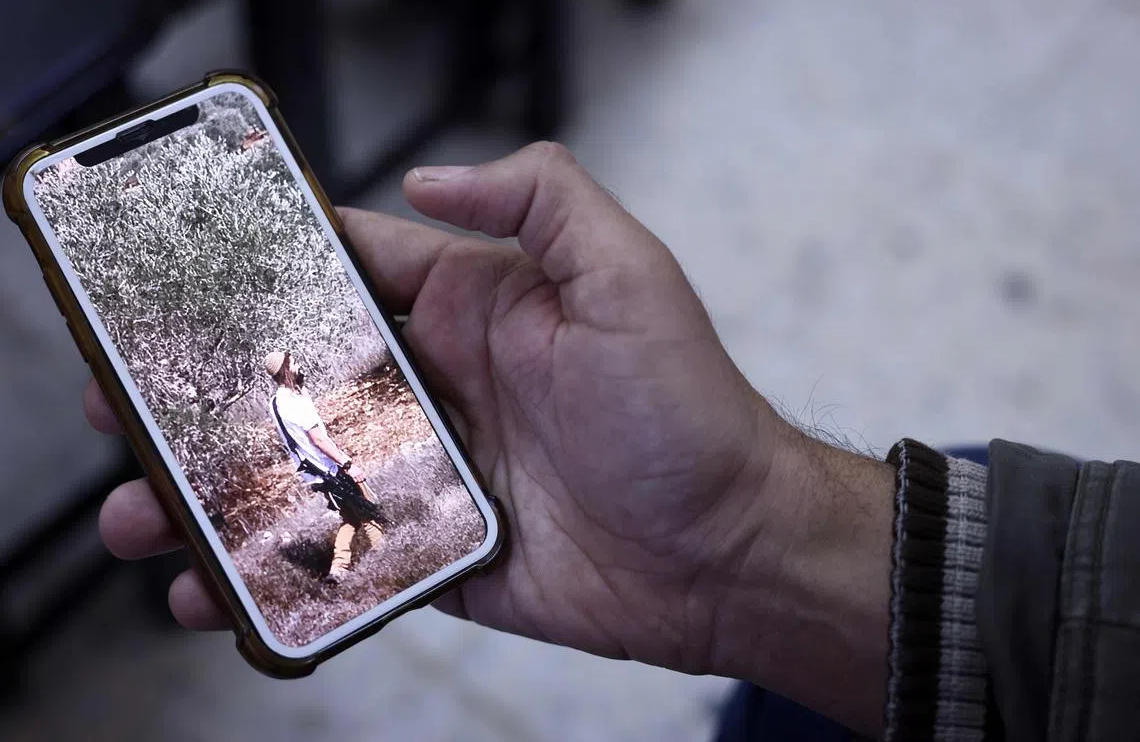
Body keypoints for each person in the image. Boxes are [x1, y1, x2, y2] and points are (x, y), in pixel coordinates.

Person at [88, 143, 1140, 740]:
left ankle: (348, 551)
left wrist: (745, 545)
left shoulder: (294, 398)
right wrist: (749, 536)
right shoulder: (294, 404)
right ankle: (349, 547)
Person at [263, 349, 384, 582]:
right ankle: (387, 555)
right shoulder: (294, 402)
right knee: (368, 512)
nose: (299, 363)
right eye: (293, 362)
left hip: (313, 475)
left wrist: (301, 386)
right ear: (285, 369)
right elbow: (318, 439)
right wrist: (347, 464)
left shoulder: (275, 402)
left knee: (350, 517)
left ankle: (338, 569)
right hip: (330, 470)